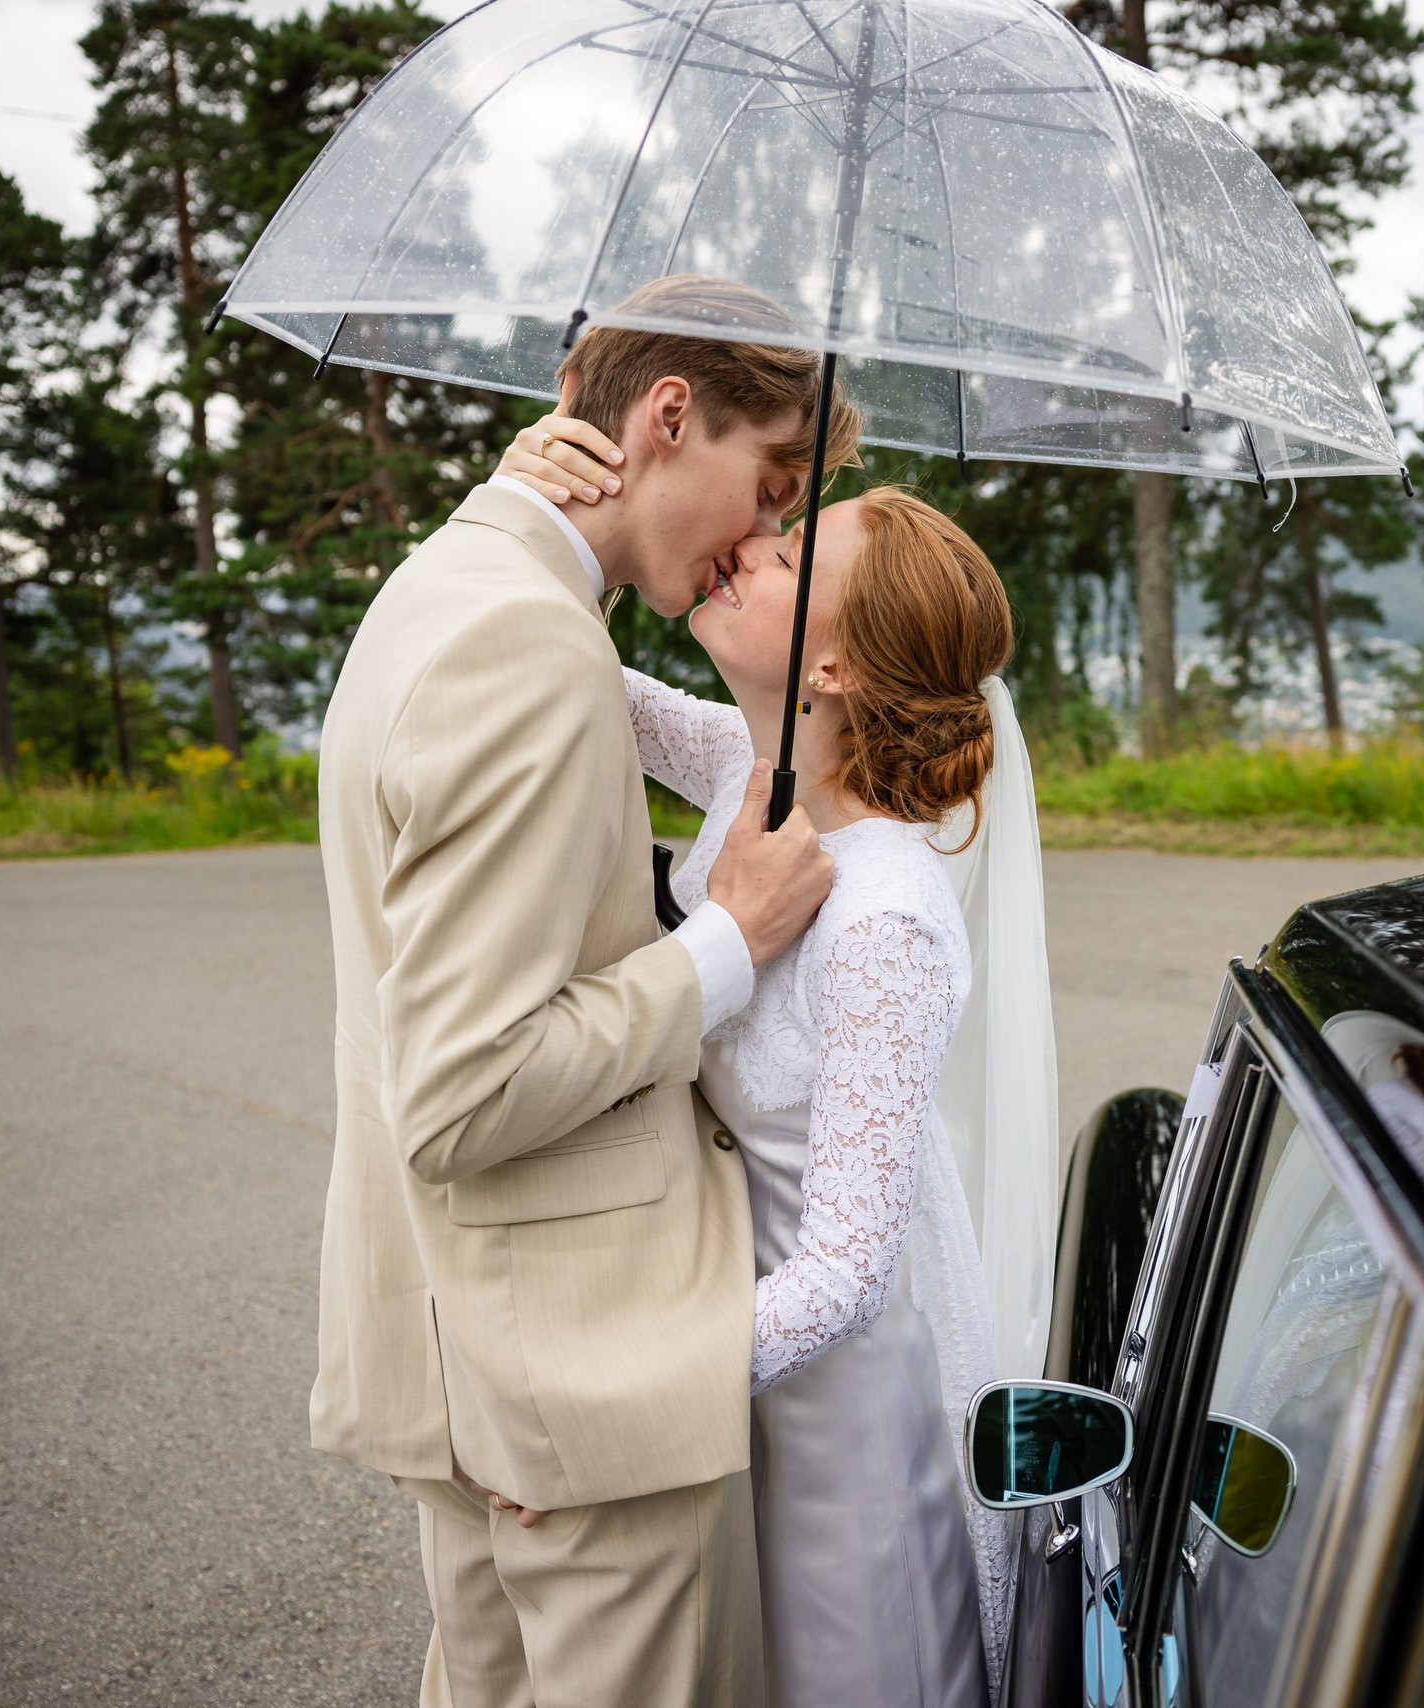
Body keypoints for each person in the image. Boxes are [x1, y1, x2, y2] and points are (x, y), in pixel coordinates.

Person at [313, 274, 856, 1708]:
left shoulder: (455, 583)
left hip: (478, 1356)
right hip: (583, 1386)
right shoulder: (529, 647)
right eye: (771, 480)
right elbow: (464, 1086)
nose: (769, 534)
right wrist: (726, 942)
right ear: (670, 416)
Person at [499, 419, 1062, 1707]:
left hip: (842, 1435)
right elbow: (576, 672)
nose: (751, 546)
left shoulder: (885, 917)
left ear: (843, 666)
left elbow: (851, 1279)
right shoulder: (749, 773)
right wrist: (547, 490)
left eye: (794, 548)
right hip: (738, 1371)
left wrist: (621, 1406)